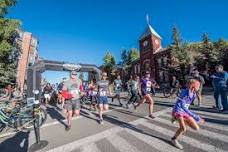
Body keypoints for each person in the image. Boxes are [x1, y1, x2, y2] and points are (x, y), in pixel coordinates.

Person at [171, 79, 205, 150]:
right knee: (183, 129)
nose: (199, 87)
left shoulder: (194, 94)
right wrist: (196, 116)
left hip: (185, 112)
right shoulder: (184, 92)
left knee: (196, 128)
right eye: (198, 86)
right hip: (178, 111)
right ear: (193, 86)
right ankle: (174, 139)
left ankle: (177, 119)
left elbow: (187, 106)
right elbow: (182, 106)